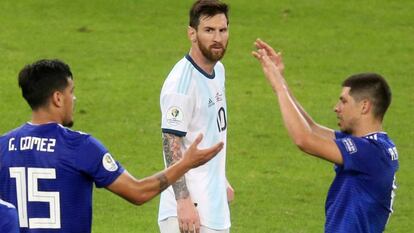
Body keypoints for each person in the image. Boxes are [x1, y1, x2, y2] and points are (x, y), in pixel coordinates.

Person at [0, 59, 224, 233]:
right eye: (71, 91)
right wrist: (185, 164)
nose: (74, 99)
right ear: (58, 98)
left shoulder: (3, 146)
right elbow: (138, 192)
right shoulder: (79, 146)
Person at [252, 39, 398, 233]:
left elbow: (304, 139)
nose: (336, 108)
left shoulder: (371, 153)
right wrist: (281, 82)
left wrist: (280, 88)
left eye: (344, 101)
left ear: (364, 106)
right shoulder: (373, 145)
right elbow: (311, 128)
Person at [158, 0, 233, 232]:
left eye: (222, 30)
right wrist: (183, 201)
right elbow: (171, 144)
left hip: (213, 205)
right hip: (190, 212)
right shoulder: (181, 84)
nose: (217, 38)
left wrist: (221, 179)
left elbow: (209, 130)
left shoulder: (217, 70)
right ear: (192, 33)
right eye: (209, 30)